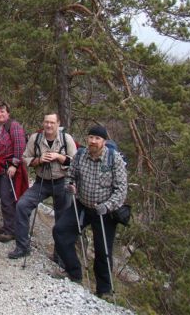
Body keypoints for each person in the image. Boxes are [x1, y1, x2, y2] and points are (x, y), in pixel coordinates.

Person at [52, 125, 127, 298]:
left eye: (97, 138)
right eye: (91, 137)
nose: (93, 141)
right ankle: (74, 272)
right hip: (83, 204)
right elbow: (70, 176)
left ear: (104, 141)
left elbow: (121, 190)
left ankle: (104, 290)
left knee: (103, 250)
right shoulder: (80, 155)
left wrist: (107, 206)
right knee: (60, 231)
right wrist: (70, 186)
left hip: (105, 211)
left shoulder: (114, 160)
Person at [8, 113, 77, 259]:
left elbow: (75, 163)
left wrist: (59, 157)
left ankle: (60, 256)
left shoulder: (67, 139)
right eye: (46, 122)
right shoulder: (36, 138)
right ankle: (22, 246)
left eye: (52, 122)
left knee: (62, 219)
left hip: (62, 182)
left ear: (58, 123)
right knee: (22, 205)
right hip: (41, 181)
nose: (49, 125)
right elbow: (26, 158)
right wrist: (39, 160)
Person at [0, 102, 28, 242]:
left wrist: (14, 165)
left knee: (8, 199)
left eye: (3, 112)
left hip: (8, 168)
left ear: (8, 113)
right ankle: (8, 225)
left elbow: (20, 147)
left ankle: (11, 230)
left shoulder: (14, 127)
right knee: (4, 197)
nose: (0, 114)